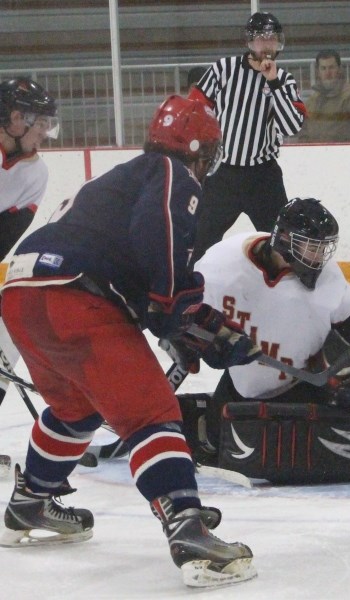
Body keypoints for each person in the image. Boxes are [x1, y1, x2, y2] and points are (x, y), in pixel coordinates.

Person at [0, 95, 261, 588]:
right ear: (199, 149)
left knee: (76, 407)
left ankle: (31, 503)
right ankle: (189, 529)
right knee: (150, 412)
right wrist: (180, 306)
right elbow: (156, 238)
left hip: (21, 294)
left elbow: (130, 265)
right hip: (72, 295)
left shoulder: (125, 175)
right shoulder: (173, 174)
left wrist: (188, 322)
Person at [172, 198, 350, 485]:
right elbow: (183, 310)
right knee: (216, 438)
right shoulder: (222, 263)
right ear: (284, 239)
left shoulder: (328, 279)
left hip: (304, 388)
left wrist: (346, 371)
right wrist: (192, 342)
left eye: (324, 249)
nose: (320, 257)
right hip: (242, 386)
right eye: (312, 247)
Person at [188, 11, 306, 265]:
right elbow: (195, 110)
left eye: (272, 38)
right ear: (250, 42)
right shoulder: (223, 70)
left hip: (263, 178)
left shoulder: (284, 80)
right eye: (262, 38)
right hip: (222, 176)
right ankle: (194, 298)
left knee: (283, 248)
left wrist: (272, 82)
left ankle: (285, 298)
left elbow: (291, 126)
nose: (268, 44)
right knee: (201, 243)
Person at [0, 77, 59, 413]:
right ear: (16, 119)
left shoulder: (35, 173)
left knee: (9, 328)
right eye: (42, 122)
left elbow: (4, 237)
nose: (46, 132)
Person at [299, 50, 350, 143]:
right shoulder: (312, 101)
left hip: (345, 156)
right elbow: (303, 133)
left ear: (339, 69)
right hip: (316, 156)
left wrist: (348, 153)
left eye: (331, 67)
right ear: (318, 72)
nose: (328, 73)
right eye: (323, 68)